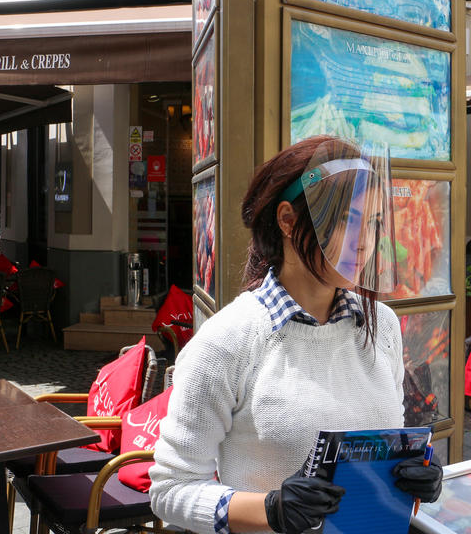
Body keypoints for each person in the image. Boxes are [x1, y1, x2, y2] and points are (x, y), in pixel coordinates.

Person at [149, 136, 442, 534]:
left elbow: (388, 442)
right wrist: (269, 510)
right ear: (288, 220)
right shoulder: (227, 341)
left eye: (373, 222)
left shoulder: (382, 326)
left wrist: (416, 472)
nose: (366, 242)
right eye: (347, 220)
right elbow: (170, 490)